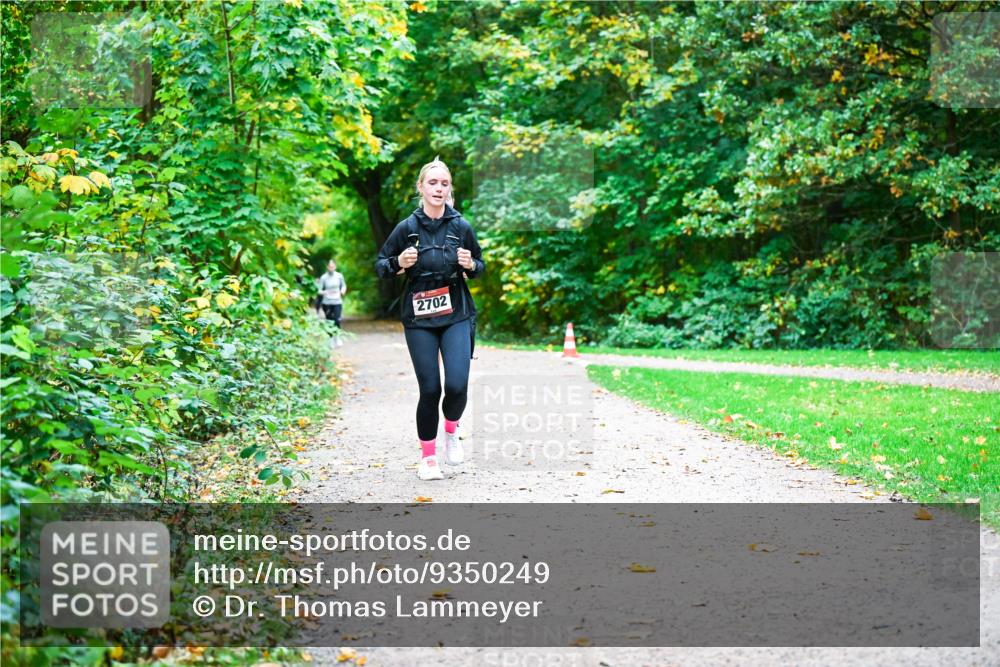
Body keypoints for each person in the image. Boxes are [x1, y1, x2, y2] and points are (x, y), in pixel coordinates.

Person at [375, 157, 485, 481]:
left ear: (449, 189)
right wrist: (398, 261)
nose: (439, 188)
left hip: (456, 313)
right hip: (419, 317)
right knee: (430, 388)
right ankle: (428, 458)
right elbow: (381, 265)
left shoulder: (460, 226)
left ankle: (452, 429)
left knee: (456, 384)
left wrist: (470, 265)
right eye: (433, 183)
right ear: (421, 187)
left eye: (444, 183)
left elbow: (480, 266)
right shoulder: (407, 229)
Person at [317, 259, 347, 345]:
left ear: (335, 267)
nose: (331, 268)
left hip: (337, 301)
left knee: (337, 320)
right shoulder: (324, 277)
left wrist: (342, 290)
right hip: (327, 302)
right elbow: (319, 290)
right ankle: (330, 339)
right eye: (330, 267)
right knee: (329, 320)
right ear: (327, 267)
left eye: (333, 266)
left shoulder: (339, 276)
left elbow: (344, 285)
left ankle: (337, 337)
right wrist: (324, 292)